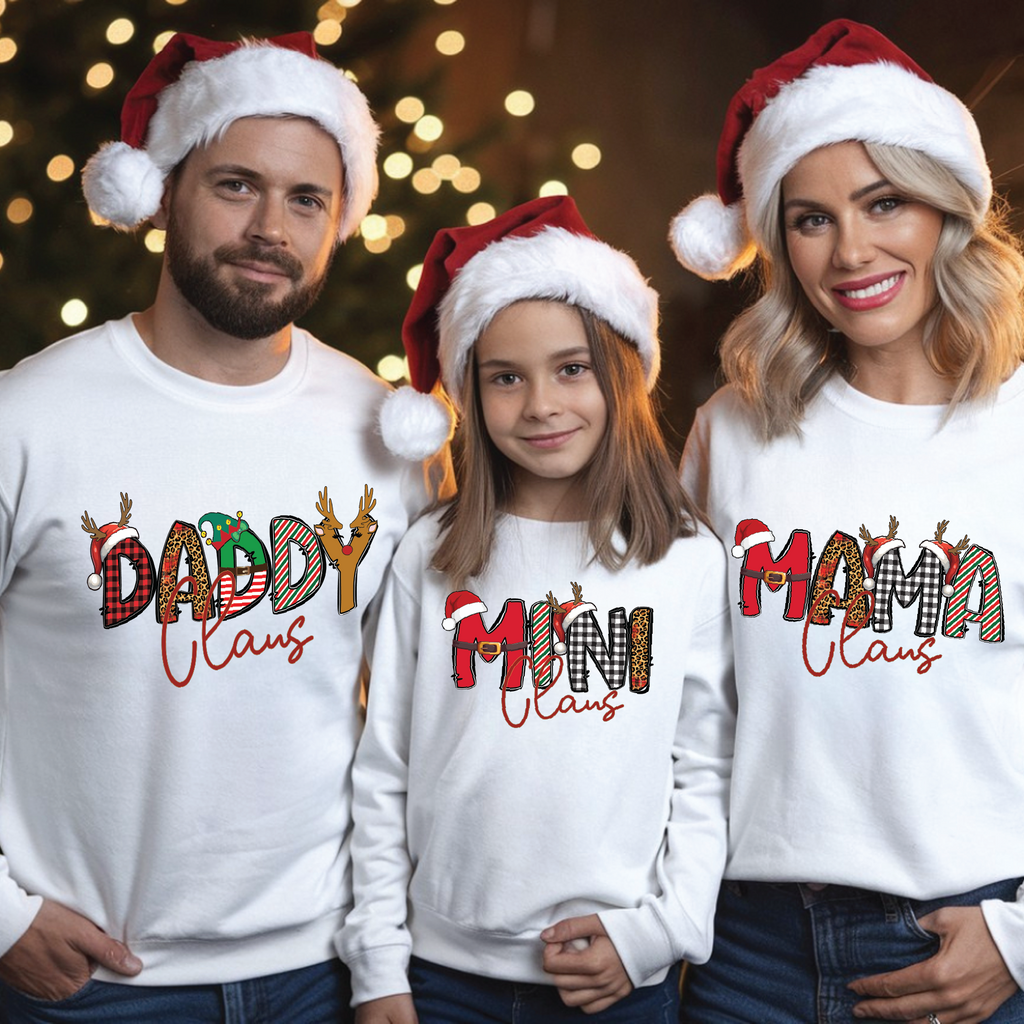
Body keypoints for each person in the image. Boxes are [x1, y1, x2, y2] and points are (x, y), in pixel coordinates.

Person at [0, 31, 422, 1023]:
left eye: (306, 198)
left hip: (323, 974)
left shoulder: (383, 432)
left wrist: (381, 963)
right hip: (90, 985)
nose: (270, 226)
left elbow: (411, 719)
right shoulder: (30, 417)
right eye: (236, 185)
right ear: (165, 192)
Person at [670, 18, 1024, 1024]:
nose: (851, 250)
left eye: (884, 202)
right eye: (810, 217)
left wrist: (1016, 939)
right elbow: (688, 703)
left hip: (965, 944)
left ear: (945, 211)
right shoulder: (731, 433)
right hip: (749, 952)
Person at [334, 195, 736, 1024]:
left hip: (615, 977)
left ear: (620, 374)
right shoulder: (430, 555)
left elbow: (706, 772)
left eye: (571, 368)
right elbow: (384, 773)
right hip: (440, 978)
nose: (541, 405)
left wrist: (661, 932)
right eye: (505, 378)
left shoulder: (687, 562)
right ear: (469, 394)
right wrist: (378, 967)